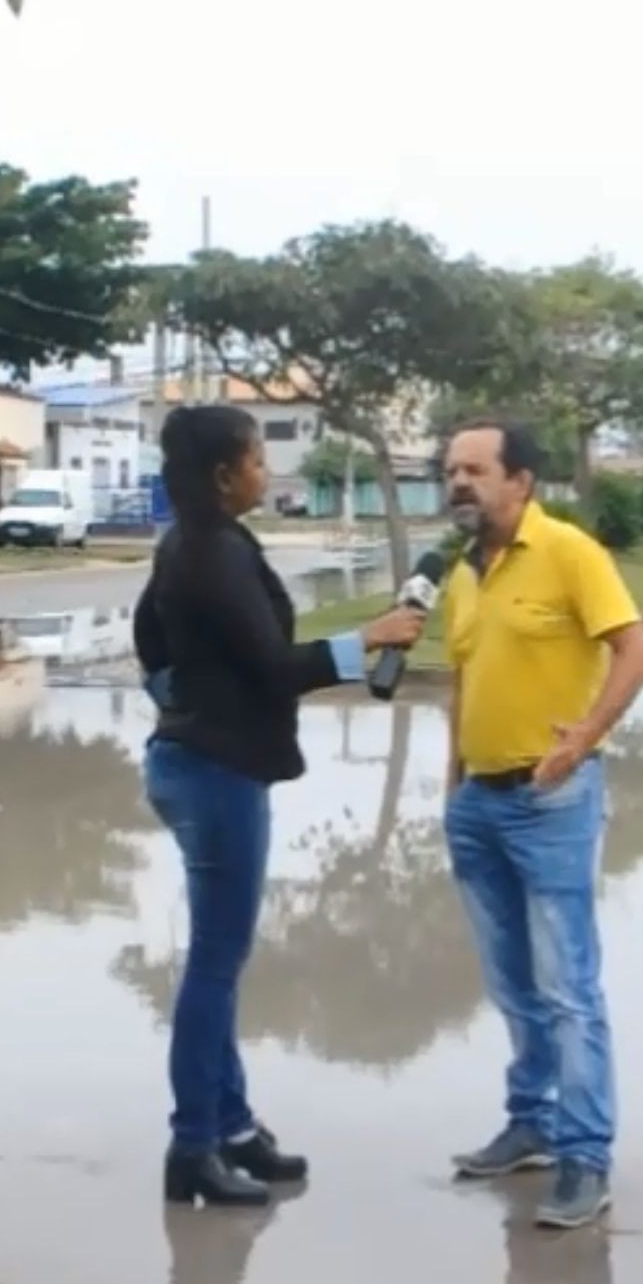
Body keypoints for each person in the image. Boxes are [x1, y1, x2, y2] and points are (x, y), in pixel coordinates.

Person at [136, 405, 421, 1208]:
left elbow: (147, 637)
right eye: (259, 459)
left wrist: (178, 700)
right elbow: (271, 664)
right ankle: (193, 1145)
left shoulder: (191, 544)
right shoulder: (214, 552)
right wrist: (366, 639)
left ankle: (232, 1128)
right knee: (214, 967)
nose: (267, 471)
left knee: (219, 963)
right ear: (225, 474)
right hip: (215, 773)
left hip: (191, 761)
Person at [436, 420, 643, 1231]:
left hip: (549, 801)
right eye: (450, 470)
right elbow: (463, 680)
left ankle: (584, 1157)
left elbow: (634, 652)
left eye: (474, 469)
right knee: (511, 985)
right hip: (478, 805)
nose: (459, 482)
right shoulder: (464, 571)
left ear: (519, 480)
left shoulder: (568, 552)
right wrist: (450, 786)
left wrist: (583, 740)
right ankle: (529, 1121)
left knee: (567, 989)